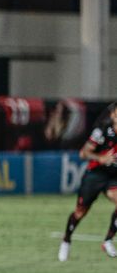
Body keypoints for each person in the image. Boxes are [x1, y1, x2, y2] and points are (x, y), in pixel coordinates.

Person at [58, 103, 117, 261]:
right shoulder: (102, 130)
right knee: (80, 212)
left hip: (113, 175)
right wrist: (102, 158)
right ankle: (66, 240)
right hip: (95, 174)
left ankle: (108, 240)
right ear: (113, 116)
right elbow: (84, 153)